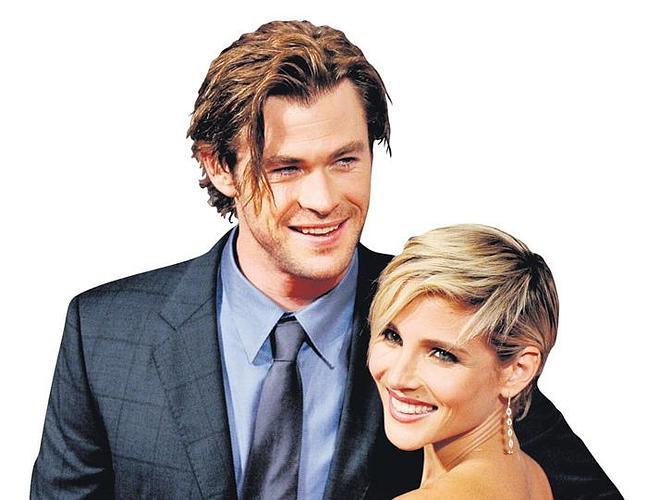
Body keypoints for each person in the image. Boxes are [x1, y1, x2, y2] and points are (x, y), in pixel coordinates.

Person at [31, 20, 619, 499]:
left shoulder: (438, 312)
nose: (324, 200)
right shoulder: (103, 333)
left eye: (345, 160)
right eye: (286, 168)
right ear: (219, 167)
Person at [369, 225, 574, 498]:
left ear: (517, 370)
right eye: (393, 336)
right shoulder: (528, 473)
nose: (397, 377)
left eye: (442, 354)